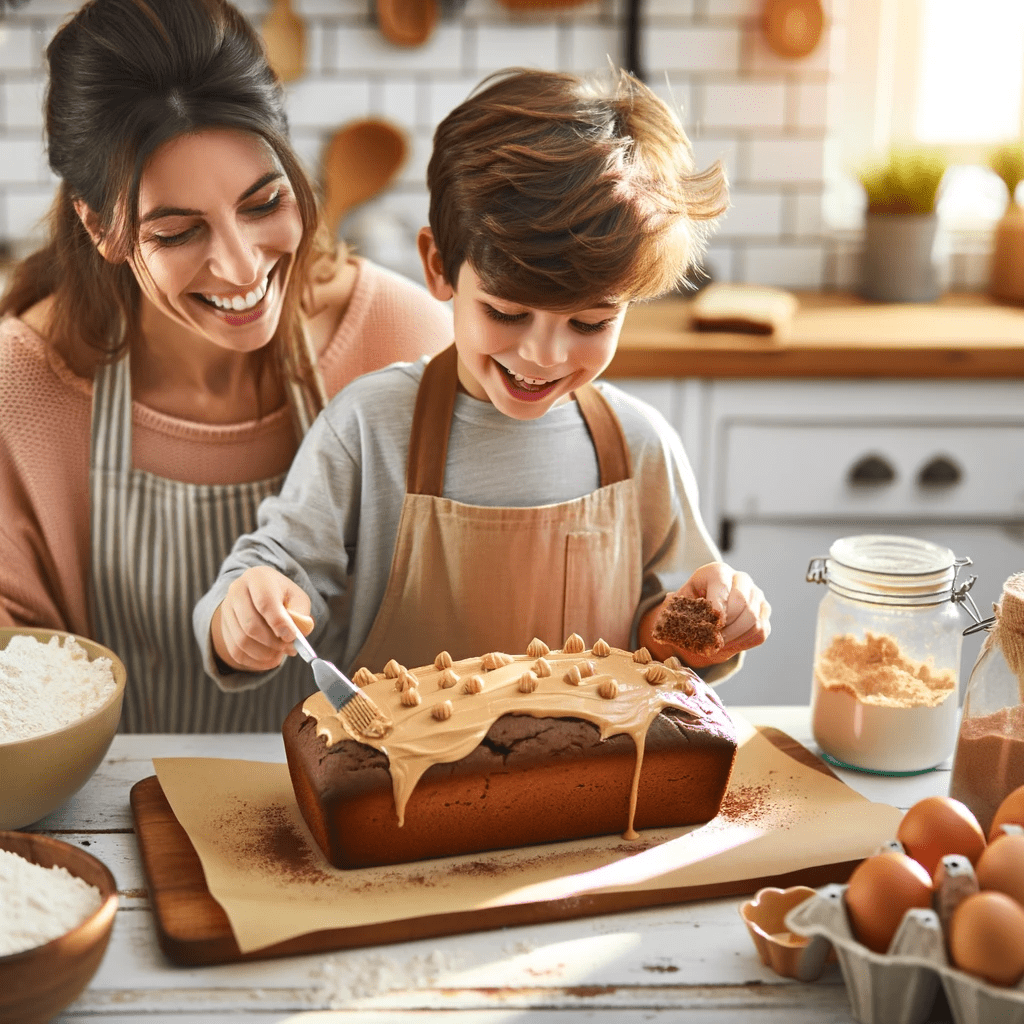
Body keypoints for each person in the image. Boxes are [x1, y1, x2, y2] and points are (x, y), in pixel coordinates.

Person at [195, 67, 771, 695]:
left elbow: (664, 638)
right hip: (400, 783)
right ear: (439, 268)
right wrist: (244, 617)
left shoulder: (637, 446)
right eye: (506, 312)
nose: (544, 355)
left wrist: (710, 618)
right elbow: (273, 570)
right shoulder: (370, 426)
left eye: (590, 322)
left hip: (590, 781)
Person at [0, 0, 452, 732]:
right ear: (98, 226)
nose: (241, 266)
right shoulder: (22, 388)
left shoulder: (406, 341)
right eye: (178, 231)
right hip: (120, 824)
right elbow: (16, 695)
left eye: (264, 201)